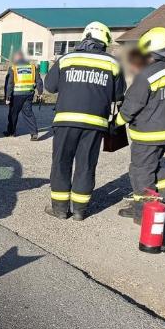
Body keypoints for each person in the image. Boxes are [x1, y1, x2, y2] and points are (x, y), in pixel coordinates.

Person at [44, 22, 125, 220]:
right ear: (104, 41)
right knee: (86, 165)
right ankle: (80, 210)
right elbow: (118, 94)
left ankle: (60, 209)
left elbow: (50, 86)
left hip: (65, 121)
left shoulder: (67, 59)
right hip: (95, 124)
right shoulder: (113, 63)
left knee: (61, 163)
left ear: (84, 37)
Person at [116, 27, 165, 220]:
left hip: (148, 134)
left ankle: (142, 213)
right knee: (155, 166)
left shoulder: (147, 75)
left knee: (140, 172)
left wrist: (117, 122)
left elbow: (132, 105)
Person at [3, 51, 43, 140]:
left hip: (16, 95)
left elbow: (10, 83)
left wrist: (8, 97)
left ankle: (11, 132)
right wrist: (40, 93)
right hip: (29, 94)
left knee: (13, 114)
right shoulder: (32, 67)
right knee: (28, 113)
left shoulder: (13, 68)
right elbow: (39, 81)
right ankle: (34, 133)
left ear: (17, 58)